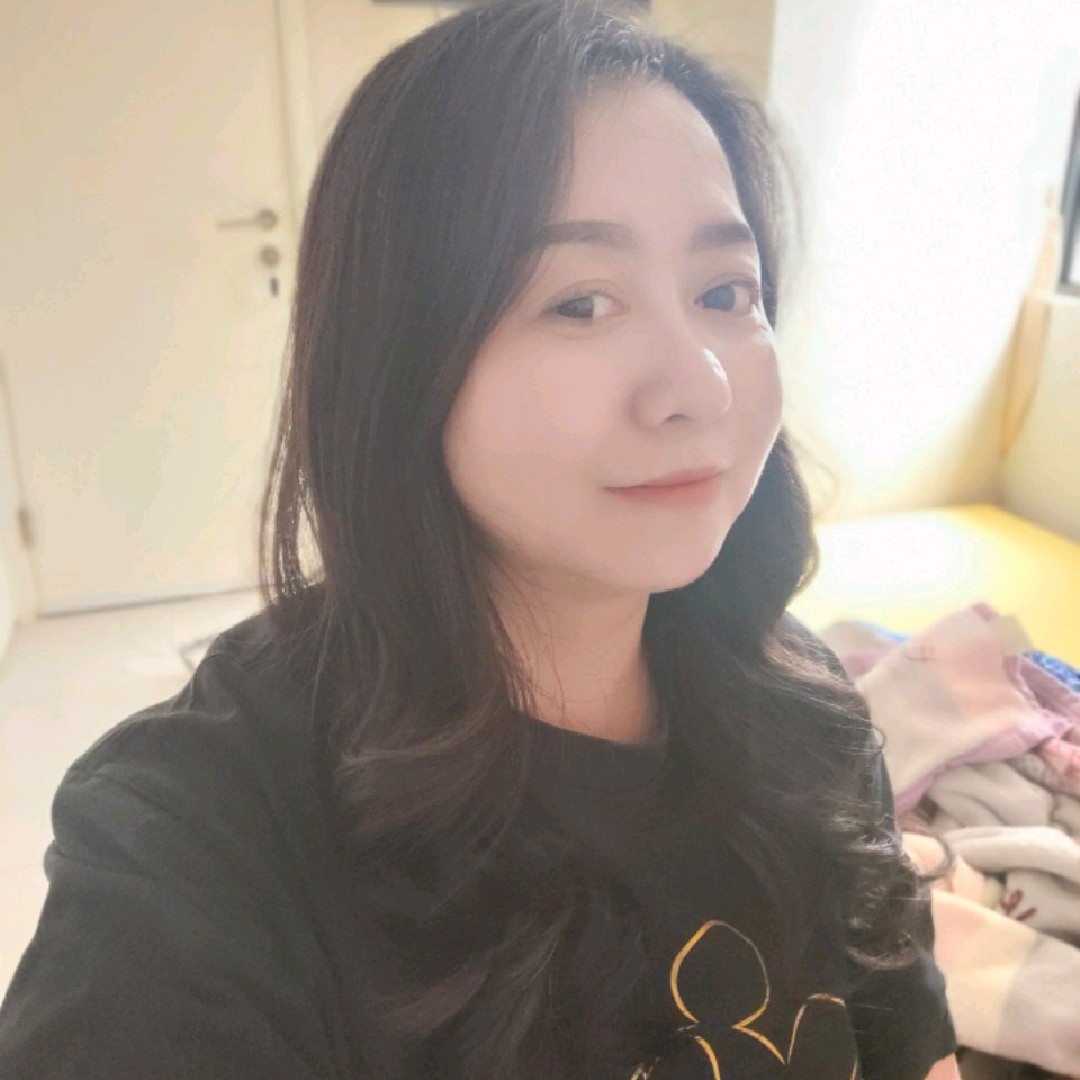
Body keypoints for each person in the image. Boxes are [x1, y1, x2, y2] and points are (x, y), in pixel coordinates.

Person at [0, 1, 959, 1077]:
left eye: (725, 291)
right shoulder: (199, 844)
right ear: (399, 355)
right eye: (582, 304)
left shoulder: (803, 709)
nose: (701, 385)